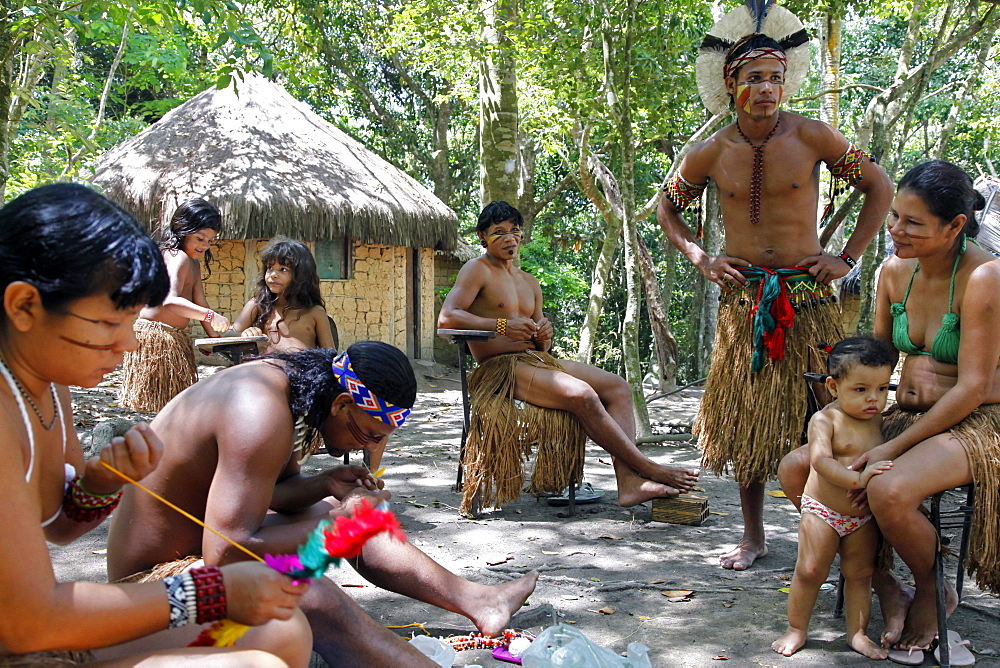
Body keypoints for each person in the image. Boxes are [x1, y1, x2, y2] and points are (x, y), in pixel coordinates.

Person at [0, 183, 310, 666]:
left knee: (281, 630)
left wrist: (103, 483)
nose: (128, 344)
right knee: (256, 659)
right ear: (23, 307)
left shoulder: (48, 386)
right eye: (107, 324)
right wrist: (211, 589)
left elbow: (57, 527)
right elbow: (30, 620)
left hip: (30, 629)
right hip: (24, 634)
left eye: (129, 322)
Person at [107, 341, 538, 666]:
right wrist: (337, 523)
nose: (369, 448)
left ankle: (479, 601)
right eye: (368, 435)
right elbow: (224, 551)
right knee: (312, 595)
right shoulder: (258, 410)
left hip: (202, 547)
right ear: (342, 402)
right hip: (152, 588)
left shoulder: (290, 386)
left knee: (354, 520)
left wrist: (326, 484)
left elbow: (273, 490)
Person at [656, 2, 893, 571]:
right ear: (731, 83)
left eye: (775, 78)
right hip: (745, 302)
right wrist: (699, 256)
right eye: (754, 78)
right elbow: (668, 207)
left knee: (832, 414)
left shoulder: (815, 136)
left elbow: (880, 188)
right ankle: (754, 535)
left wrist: (848, 257)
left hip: (807, 301)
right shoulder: (710, 151)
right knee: (750, 424)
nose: (767, 88)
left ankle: (845, 532)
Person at [780, 160, 1000, 655]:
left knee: (890, 488)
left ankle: (930, 589)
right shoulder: (893, 272)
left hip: (976, 418)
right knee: (797, 469)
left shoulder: (985, 277)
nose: (895, 230)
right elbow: (876, 362)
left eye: (913, 223)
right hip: (900, 412)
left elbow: (972, 387)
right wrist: (841, 406)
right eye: (895, 216)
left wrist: (892, 447)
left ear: (955, 226)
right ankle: (880, 581)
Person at [437, 200, 699, 514]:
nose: (509, 238)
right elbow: (447, 318)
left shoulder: (529, 282)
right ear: (483, 236)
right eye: (498, 232)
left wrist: (544, 335)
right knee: (581, 394)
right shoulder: (476, 269)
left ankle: (629, 482)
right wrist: (502, 324)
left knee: (618, 387)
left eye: (514, 231)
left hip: (535, 361)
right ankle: (647, 467)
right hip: (500, 369)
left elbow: (540, 347)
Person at [771, 337, 897, 659]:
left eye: (882, 389)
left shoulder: (879, 420)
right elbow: (821, 462)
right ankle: (797, 628)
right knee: (811, 570)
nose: (874, 398)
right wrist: (858, 479)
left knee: (860, 574)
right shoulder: (824, 420)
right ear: (833, 386)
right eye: (861, 389)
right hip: (822, 511)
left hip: (861, 517)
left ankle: (857, 634)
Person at [118, 198, 232, 412]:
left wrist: (215, 339)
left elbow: (200, 301)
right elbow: (169, 300)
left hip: (173, 339)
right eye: (200, 238)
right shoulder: (176, 256)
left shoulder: (193, 264)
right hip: (157, 338)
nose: (205, 245)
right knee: (159, 408)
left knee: (170, 408)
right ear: (182, 229)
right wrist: (210, 317)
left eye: (210, 240)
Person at [229, 236, 335, 354]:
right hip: (265, 368)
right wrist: (245, 335)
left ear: (301, 275)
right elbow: (228, 338)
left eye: (283, 269)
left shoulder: (314, 312)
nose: (273, 274)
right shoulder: (257, 306)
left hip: (302, 369)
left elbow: (329, 355)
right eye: (270, 268)